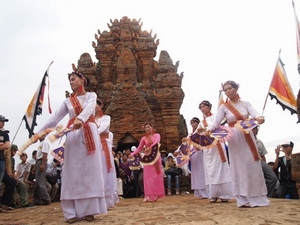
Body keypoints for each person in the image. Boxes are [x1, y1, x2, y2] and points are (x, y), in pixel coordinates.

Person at [36, 69, 107, 223]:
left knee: (90, 171)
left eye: (74, 79)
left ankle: (90, 210)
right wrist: (41, 132)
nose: (71, 82)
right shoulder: (68, 101)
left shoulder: (91, 96)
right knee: (72, 171)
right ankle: (71, 212)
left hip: (89, 133)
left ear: (82, 80)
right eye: (70, 80)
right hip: (73, 135)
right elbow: (55, 118)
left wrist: (80, 119)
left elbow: (89, 109)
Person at [205, 80, 269, 208]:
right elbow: (216, 122)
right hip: (234, 138)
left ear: (236, 89)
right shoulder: (224, 107)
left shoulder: (245, 104)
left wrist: (259, 118)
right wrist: (208, 130)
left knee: (252, 164)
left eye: (230, 88)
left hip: (247, 134)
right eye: (226, 90)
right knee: (239, 166)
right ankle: (242, 199)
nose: (228, 91)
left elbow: (255, 114)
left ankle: (257, 197)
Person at [198, 100, 233, 203]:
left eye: (204, 106)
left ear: (210, 107)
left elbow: (220, 124)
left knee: (221, 169)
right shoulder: (201, 123)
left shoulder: (216, 117)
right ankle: (213, 194)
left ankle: (224, 194)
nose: (203, 108)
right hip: (208, 148)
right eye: (201, 107)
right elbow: (197, 134)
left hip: (218, 145)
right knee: (210, 170)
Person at [129, 122, 165, 202]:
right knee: (147, 177)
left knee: (156, 175)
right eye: (146, 128)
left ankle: (156, 194)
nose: (147, 129)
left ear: (152, 127)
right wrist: (132, 154)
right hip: (147, 158)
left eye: (149, 127)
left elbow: (156, 142)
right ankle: (148, 195)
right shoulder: (144, 138)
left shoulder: (157, 135)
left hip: (155, 157)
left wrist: (150, 148)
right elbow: (139, 148)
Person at [95, 99, 118, 207]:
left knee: (105, 169)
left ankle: (107, 198)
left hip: (103, 145)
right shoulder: (89, 120)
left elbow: (103, 128)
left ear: (100, 106)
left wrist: (91, 134)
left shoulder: (106, 118)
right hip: (93, 145)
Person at [252, 126, 279, 198]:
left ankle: (267, 196)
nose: (256, 130)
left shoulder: (259, 142)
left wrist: (265, 166)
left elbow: (263, 156)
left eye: (256, 128)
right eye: (254, 128)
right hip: (249, 163)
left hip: (260, 161)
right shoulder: (244, 142)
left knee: (273, 178)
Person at [188, 117, 209, 199]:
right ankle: (198, 191)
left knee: (201, 172)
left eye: (194, 122)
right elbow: (186, 143)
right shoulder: (190, 134)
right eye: (191, 123)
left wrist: (200, 147)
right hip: (193, 154)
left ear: (197, 123)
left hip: (200, 152)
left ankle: (204, 192)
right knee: (195, 173)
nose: (193, 124)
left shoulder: (201, 132)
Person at [33, 133, 51, 206]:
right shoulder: (41, 144)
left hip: (41, 161)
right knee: (38, 181)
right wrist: (35, 166)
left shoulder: (45, 143)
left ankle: (46, 199)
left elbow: (45, 154)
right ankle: (37, 199)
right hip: (38, 161)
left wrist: (43, 164)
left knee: (40, 181)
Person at [0, 115, 10, 212]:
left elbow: (7, 145)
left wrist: (2, 145)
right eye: (1, 121)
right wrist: (1, 144)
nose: (3, 122)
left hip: (1, 160)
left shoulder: (5, 134)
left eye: (4, 121)